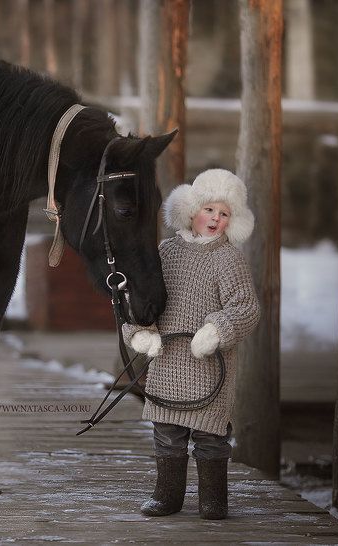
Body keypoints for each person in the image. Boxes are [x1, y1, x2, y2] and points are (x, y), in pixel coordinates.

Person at [123, 168, 260, 520]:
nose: (215, 218)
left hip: (210, 368)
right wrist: (141, 331)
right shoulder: (166, 252)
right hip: (168, 362)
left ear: (233, 221)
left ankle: (213, 499)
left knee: (210, 436)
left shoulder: (228, 259)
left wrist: (217, 330)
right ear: (191, 210)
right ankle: (167, 495)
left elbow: (246, 307)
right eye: (209, 209)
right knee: (168, 433)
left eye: (224, 213)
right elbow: (144, 298)